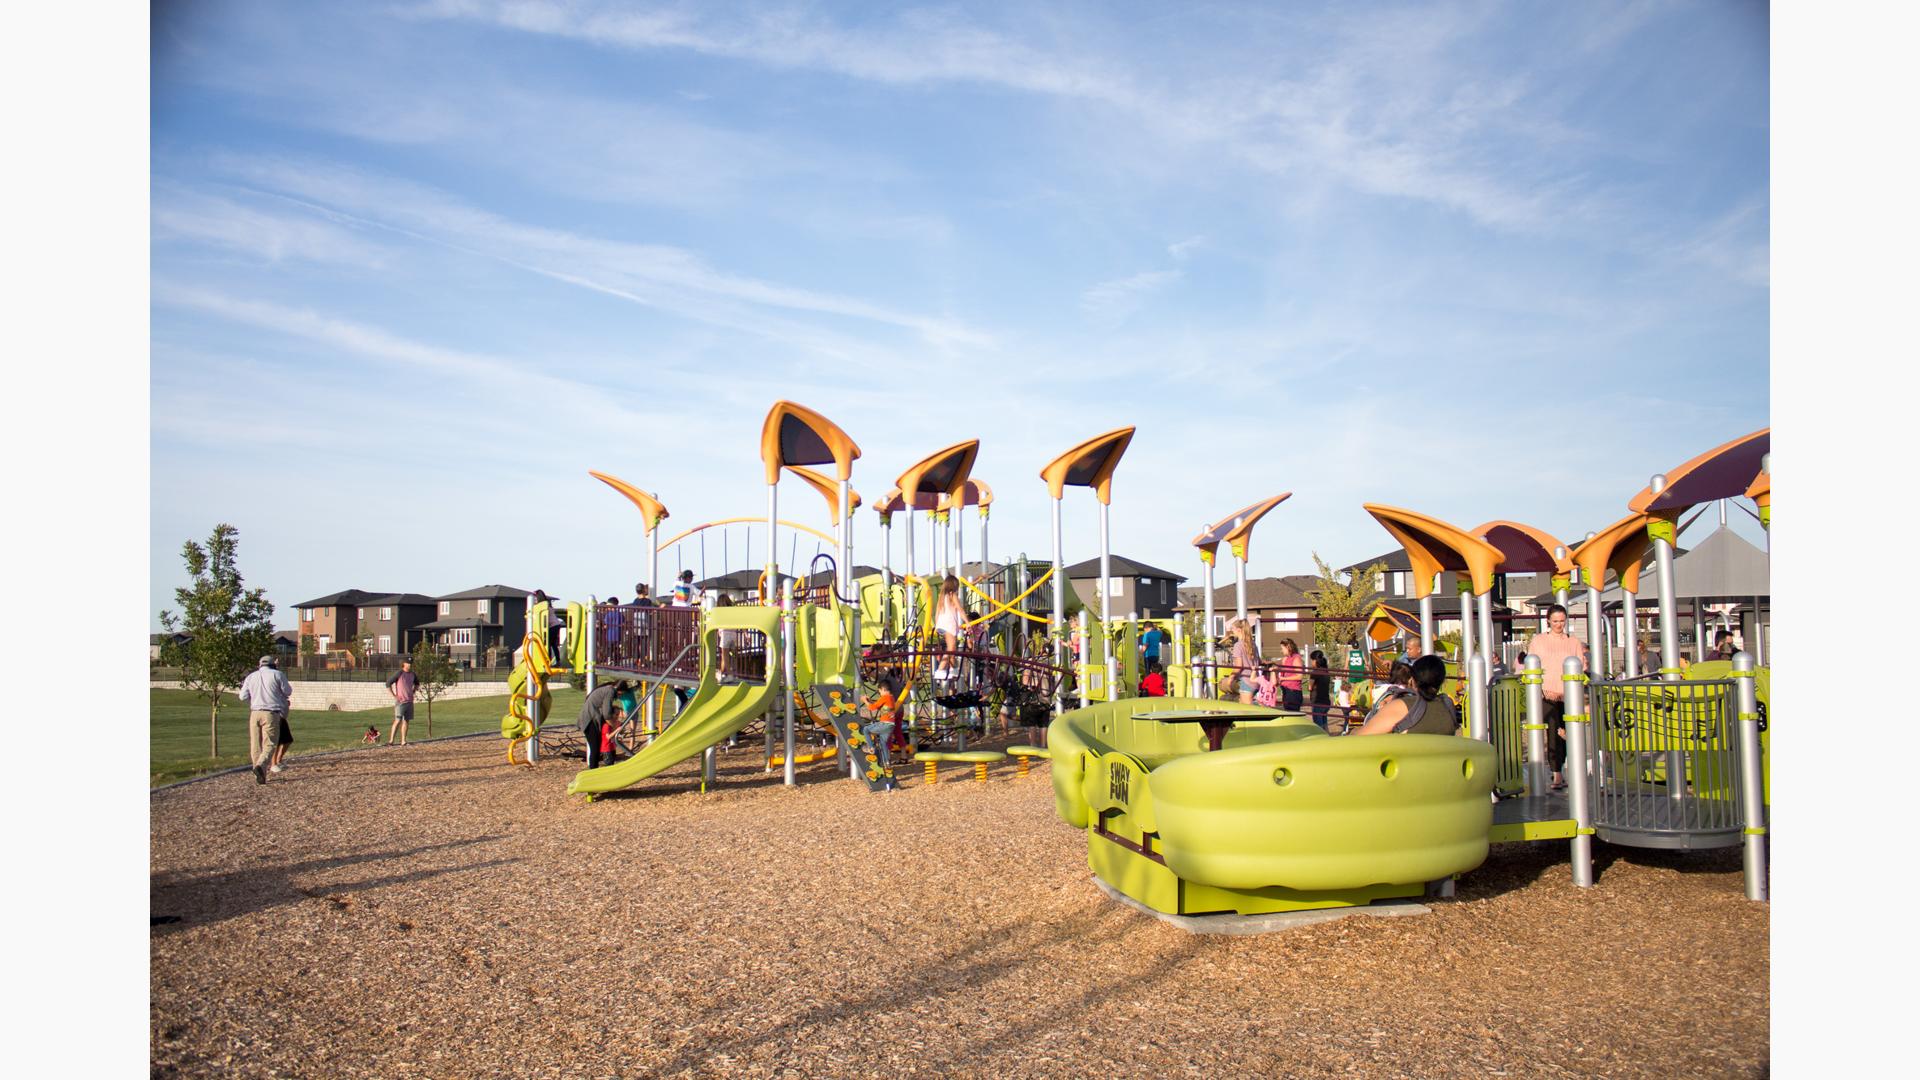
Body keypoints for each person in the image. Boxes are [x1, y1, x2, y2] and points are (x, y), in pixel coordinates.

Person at [1524, 604, 1588, 790]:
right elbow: (1532, 663)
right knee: (1553, 730)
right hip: (1547, 692)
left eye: (1561, 621)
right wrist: (1541, 687)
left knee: (1569, 732)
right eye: (1555, 621)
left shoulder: (1573, 641)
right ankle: (1557, 773)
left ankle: (1567, 768)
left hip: (1568, 694)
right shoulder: (1538, 641)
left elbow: (1581, 665)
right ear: (1548, 622)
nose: (1559, 625)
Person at [1356, 655, 1460, 736]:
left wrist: (1352, 731)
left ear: (1412, 679)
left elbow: (1361, 737)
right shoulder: (1448, 706)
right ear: (1442, 681)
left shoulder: (1402, 706)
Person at [238, 655, 292, 785]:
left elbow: (242, 696)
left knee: (255, 744)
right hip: (270, 712)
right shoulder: (277, 674)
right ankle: (260, 766)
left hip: (255, 712)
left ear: (260, 665)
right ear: (273, 664)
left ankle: (258, 773)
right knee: (269, 744)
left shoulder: (251, 677)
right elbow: (288, 691)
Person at [577, 681, 628, 770]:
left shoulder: (608, 689)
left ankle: (594, 769)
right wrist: (615, 727)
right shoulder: (610, 691)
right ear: (620, 690)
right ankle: (593, 771)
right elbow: (607, 714)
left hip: (589, 719)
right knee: (595, 748)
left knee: (596, 747)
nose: (621, 696)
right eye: (622, 693)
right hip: (589, 720)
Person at [933, 575, 965, 680]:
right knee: (951, 649)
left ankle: (954, 669)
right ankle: (941, 669)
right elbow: (960, 610)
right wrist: (968, 622)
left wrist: (936, 624)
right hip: (949, 624)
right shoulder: (953, 595)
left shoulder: (942, 596)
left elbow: (937, 611)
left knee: (952, 648)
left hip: (941, 624)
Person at [383, 657, 419, 746]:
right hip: (400, 702)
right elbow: (388, 683)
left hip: (409, 701)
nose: (410, 665)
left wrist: (413, 691)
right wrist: (394, 696)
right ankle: (391, 741)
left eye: (411, 663)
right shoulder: (399, 673)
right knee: (398, 720)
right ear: (404, 664)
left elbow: (417, 683)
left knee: (406, 721)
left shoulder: (413, 674)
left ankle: (403, 741)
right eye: (408, 663)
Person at [1227, 619, 1258, 704]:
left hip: (1246, 681)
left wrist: (1230, 678)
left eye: (1232, 629)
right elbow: (1258, 661)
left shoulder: (1238, 645)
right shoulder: (1253, 644)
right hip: (1255, 680)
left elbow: (1238, 666)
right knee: (1241, 705)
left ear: (1239, 630)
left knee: (1247, 710)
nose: (1231, 631)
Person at [1277, 638, 1306, 711]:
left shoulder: (1296, 658)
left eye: (1282, 648)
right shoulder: (1286, 658)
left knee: (1292, 712)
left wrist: (1283, 679)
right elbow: (1279, 663)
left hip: (1293, 691)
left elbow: (1299, 676)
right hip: (1286, 690)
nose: (1281, 650)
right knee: (1287, 711)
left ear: (1288, 647)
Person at [1308, 650, 1332, 730]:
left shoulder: (1315, 673)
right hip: (1326, 701)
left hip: (1317, 702)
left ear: (1315, 661)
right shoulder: (1326, 671)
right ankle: (1327, 738)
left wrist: (1309, 681)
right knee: (1324, 724)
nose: (1311, 662)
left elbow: (1310, 687)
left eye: (1312, 660)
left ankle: (1321, 740)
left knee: (1318, 726)